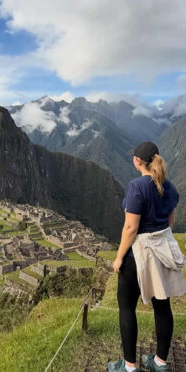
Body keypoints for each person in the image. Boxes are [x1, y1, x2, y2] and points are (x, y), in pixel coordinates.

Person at [109, 142, 186, 372]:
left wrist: (119, 257)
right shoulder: (168, 185)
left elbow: (131, 228)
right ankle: (160, 362)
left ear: (137, 161)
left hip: (139, 252)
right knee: (163, 305)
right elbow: (170, 221)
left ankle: (130, 367)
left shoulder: (136, 187)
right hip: (162, 250)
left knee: (126, 307)